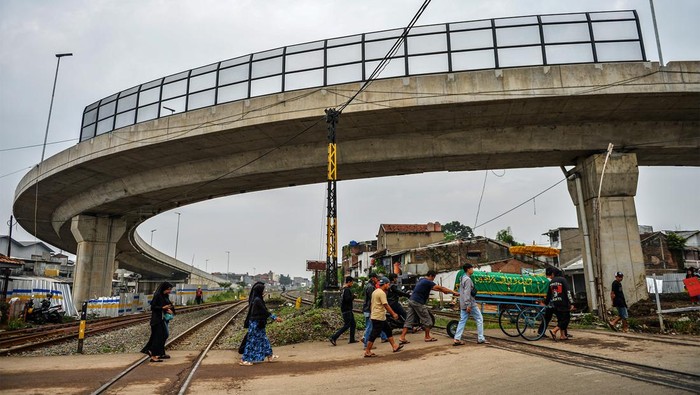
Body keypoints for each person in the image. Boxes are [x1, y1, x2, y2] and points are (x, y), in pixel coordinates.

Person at [398, 270, 458, 343]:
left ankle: (402, 337)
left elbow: (435, 288)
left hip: (412, 301)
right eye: (433, 278)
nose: (433, 280)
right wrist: (453, 292)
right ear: (431, 276)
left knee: (409, 320)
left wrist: (443, 291)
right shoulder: (428, 282)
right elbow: (440, 287)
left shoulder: (421, 280)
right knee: (427, 319)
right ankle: (427, 337)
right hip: (418, 302)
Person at [241, 282, 283, 366]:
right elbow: (264, 311)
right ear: (259, 291)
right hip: (255, 323)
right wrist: (274, 318)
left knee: (264, 339)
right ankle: (244, 359)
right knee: (251, 341)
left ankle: (269, 355)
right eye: (263, 290)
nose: (264, 291)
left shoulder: (258, 299)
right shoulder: (257, 300)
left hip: (259, 323)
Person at [364, 277, 403, 357]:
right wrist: (393, 314)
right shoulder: (382, 293)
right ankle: (367, 351)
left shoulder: (375, 292)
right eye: (388, 284)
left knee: (388, 330)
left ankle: (394, 346)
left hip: (378, 316)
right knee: (374, 334)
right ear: (384, 284)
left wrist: (372, 313)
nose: (389, 286)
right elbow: (386, 305)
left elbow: (372, 304)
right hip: (379, 317)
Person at [453, 264, 489, 345]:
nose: (473, 270)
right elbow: (467, 293)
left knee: (462, 321)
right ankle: (480, 338)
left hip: (463, 303)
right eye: (472, 268)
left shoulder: (462, 278)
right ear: (468, 269)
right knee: (479, 319)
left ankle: (457, 338)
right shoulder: (468, 280)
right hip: (470, 304)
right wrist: (468, 305)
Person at [141, 281, 174, 362]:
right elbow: (153, 307)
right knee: (157, 337)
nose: (169, 291)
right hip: (157, 320)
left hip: (163, 320)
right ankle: (153, 355)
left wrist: (171, 309)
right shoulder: (158, 295)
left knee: (162, 336)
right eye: (168, 289)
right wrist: (163, 308)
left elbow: (170, 305)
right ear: (164, 288)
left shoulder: (165, 296)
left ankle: (157, 352)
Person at [542, 267, 574, 341]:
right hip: (563, 302)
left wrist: (546, 302)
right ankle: (554, 330)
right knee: (566, 319)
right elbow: (568, 292)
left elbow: (549, 294)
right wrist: (571, 302)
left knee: (560, 319)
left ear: (554, 274)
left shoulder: (552, 282)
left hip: (555, 302)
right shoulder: (563, 280)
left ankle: (563, 336)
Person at [329, 276, 358, 345]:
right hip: (347, 310)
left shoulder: (343, 289)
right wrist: (353, 296)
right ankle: (334, 337)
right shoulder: (347, 290)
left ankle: (352, 339)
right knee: (347, 325)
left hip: (347, 309)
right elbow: (347, 299)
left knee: (353, 324)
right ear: (349, 282)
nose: (352, 284)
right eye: (352, 282)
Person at [362, 273, 387, 345]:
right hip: (370, 309)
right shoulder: (371, 287)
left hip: (368, 309)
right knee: (370, 327)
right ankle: (366, 342)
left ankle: (384, 337)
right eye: (376, 279)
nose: (378, 280)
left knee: (378, 324)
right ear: (373, 278)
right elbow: (373, 300)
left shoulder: (368, 286)